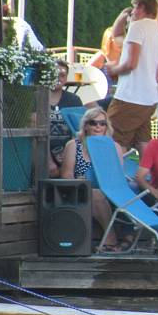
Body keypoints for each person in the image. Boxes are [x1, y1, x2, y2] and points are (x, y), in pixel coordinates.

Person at [105, 0, 158, 156]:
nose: (132, 12)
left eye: (134, 8)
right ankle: (151, 179)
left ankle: (113, 178)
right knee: (143, 142)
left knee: (110, 136)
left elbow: (131, 63)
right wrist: (123, 17)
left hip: (130, 96)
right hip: (149, 98)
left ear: (141, 7)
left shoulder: (137, 27)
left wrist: (113, 70)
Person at [60, 107, 126, 252]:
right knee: (95, 194)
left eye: (102, 123)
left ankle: (120, 238)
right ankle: (111, 239)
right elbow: (66, 175)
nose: (98, 126)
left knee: (100, 194)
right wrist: (80, 183)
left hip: (109, 192)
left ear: (106, 127)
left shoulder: (114, 147)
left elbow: (118, 177)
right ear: (86, 125)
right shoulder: (73, 145)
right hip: (78, 190)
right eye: (93, 123)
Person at [48, 60, 83, 178]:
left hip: (67, 149)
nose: (58, 78)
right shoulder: (36, 97)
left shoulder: (74, 100)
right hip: (43, 149)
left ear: (66, 78)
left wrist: (68, 155)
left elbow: (77, 131)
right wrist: (48, 159)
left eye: (62, 75)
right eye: (54, 74)